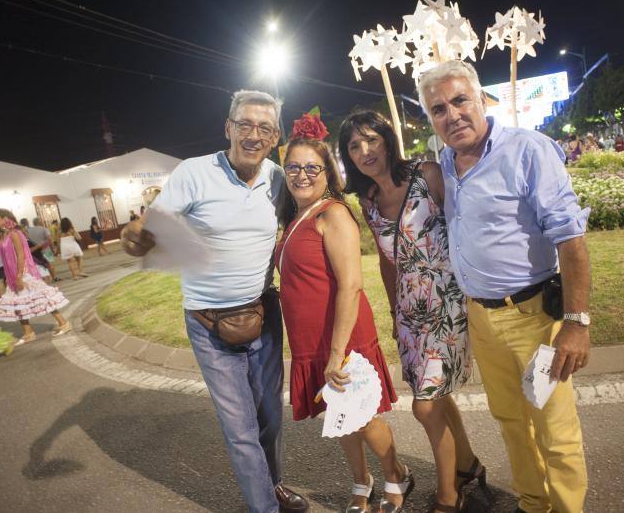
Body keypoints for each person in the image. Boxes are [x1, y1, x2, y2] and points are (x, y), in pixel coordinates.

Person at [120, 89, 308, 513]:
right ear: (228, 128)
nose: (253, 135)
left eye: (264, 127)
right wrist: (136, 237)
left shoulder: (278, 178)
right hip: (208, 323)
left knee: (271, 418)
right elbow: (150, 228)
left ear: (275, 136)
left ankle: (273, 485)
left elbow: (302, 225)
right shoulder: (193, 172)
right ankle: (265, 507)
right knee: (240, 427)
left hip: (263, 314)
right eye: (244, 124)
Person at [418, 60, 591, 513]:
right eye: (438, 109)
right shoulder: (446, 164)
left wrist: (576, 322)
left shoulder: (527, 150)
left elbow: (571, 239)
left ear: (480, 100)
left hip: (535, 318)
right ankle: (533, 504)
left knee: (554, 428)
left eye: (460, 101)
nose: (452, 115)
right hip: (483, 320)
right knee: (512, 421)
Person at [339, 110, 479, 512]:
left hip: (447, 304)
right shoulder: (367, 200)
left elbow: (463, 227)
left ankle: (449, 496)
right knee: (434, 397)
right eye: (354, 146)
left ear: (387, 139)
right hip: (409, 312)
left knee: (424, 405)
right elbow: (387, 259)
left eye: (371, 140)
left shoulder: (428, 175)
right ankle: (468, 464)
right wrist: (394, 311)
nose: (365, 151)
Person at [277, 116, 413, 513]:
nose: (302, 175)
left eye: (311, 168)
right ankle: (361, 480)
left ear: (327, 172)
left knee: (363, 417)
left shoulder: (332, 213)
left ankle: (396, 474)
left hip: (343, 337)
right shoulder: (292, 218)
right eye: (294, 168)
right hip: (310, 339)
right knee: (338, 416)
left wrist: (337, 353)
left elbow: (351, 286)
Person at [0, 208, 71, 345]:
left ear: (5, 219)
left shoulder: (15, 234)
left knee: (42, 298)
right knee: (18, 303)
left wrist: (19, 276)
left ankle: (64, 323)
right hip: (12, 275)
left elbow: (21, 255)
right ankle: (28, 333)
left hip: (23, 273)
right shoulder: (3, 235)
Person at [27, 217, 59, 282]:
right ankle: (54, 277)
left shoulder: (29, 231)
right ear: (39, 222)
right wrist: (53, 248)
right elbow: (49, 239)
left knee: (39, 264)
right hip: (45, 249)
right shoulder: (44, 229)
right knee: (49, 263)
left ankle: (43, 277)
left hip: (34, 251)